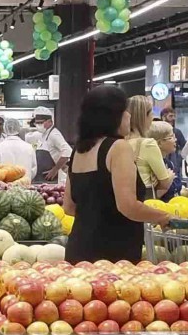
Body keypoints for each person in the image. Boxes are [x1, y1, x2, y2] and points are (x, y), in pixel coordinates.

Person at [63, 84, 179, 262]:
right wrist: (163, 217)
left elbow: (69, 207)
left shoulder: (78, 150)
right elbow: (128, 206)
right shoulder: (118, 148)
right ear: (113, 116)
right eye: (125, 111)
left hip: (78, 248)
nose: (129, 116)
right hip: (112, 254)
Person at [128, 94, 174, 197]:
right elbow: (165, 181)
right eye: (151, 113)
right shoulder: (148, 144)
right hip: (145, 199)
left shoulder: (119, 143)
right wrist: (169, 175)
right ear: (144, 117)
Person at [26, 108, 72, 179]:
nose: (38, 125)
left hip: (57, 177)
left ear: (50, 122)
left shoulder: (54, 134)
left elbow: (68, 151)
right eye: (37, 123)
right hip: (45, 178)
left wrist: (55, 169)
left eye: (41, 123)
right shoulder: (43, 134)